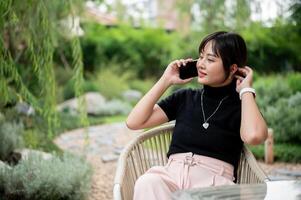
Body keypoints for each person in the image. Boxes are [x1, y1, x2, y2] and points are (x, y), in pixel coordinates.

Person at [126, 31, 268, 200]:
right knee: (147, 182)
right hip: (171, 178)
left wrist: (245, 90)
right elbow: (134, 122)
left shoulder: (241, 105)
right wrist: (166, 79)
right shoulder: (184, 98)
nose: (201, 64)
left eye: (210, 59)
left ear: (232, 68)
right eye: (200, 57)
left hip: (214, 186)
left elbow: (254, 136)